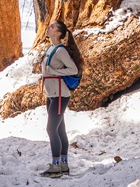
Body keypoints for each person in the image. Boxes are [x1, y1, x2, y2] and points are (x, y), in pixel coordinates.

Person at [40, 19, 84, 178]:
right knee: (59, 129)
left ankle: (56, 167)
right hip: (51, 95)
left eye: (52, 27)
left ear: (58, 33)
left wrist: (53, 72)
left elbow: (73, 69)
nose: (48, 28)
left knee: (51, 129)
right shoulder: (49, 49)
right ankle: (64, 165)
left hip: (60, 95)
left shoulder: (60, 50)